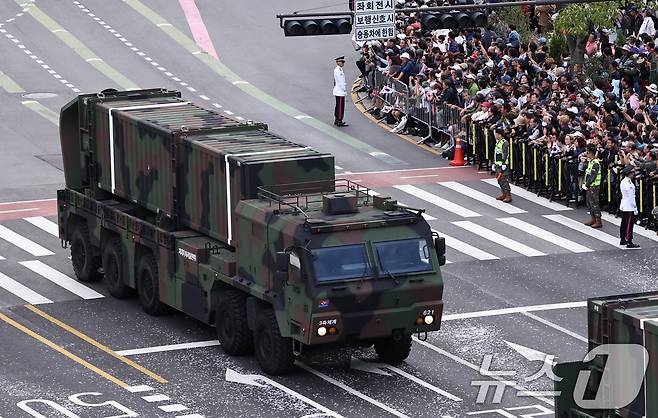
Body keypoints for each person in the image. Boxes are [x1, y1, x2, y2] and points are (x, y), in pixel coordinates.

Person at [619, 165, 640, 248]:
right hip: (629, 206)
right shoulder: (628, 183)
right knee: (629, 224)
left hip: (625, 205)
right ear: (630, 173)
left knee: (624, 222)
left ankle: (623, 239)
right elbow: (631, 197)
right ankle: (629, 240)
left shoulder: (625, 181)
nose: (634, 174)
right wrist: (634, 208)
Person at [583, 146, 603, 228]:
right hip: (589, 186)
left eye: (588, 153)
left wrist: (587, 185)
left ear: (591, 154)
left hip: (594, 187)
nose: (587, 154)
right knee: (589, 203)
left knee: (594, 203)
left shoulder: (595, 163)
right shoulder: (590, 162)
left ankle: (598, 220)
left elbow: (593, 176)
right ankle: (593, 218)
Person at [493, 128, 512, 203]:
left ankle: (508, 195)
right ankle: (504, 193)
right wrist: (494, 163)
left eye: (496, 134)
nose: (495, 135)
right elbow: (497, 153)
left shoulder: (505, 143)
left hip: (503, 165)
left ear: (499, 134)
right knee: (499, 180)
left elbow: (505, 154)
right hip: (498, 164)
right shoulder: (498, 142)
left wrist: (503, 163)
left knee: (504, 180)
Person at [333, 56, 348, 127]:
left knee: (338, 105)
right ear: (337, 62)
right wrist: (344, 90)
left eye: (343, 62)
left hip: (339, 90)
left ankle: (337, 119)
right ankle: (339, 120)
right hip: (340, 91)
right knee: (340, 106)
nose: (343, 63)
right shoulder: (338, 70)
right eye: (342, 62)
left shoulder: (339, 70)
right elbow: (340, 81)